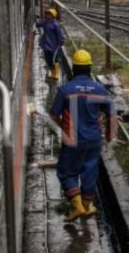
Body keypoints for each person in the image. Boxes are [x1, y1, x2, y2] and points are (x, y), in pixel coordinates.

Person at [50, 49, 116, 221]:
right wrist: (109, 135)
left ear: (74, 67)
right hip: (93, 139)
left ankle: (78, 207)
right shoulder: (100, 90)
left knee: (66, 171)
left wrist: (63, 128)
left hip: (72, 138)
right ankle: (88, 206)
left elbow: (54, 115)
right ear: (89, 68)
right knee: (89, 171)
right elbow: (112, 114)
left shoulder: (65, 90)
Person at [36, 8, 65, 80]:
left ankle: (56, 74)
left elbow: (59, 34)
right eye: (46, 14)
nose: (47, 15)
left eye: (49, 14)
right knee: (48, 59)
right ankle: (52, 72)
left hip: (54, 45)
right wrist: (36, 19)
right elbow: (38, 25)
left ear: (53, 15)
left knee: (54, 59)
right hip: (46, 45)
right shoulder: (45, 22)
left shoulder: (56, 24)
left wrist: (61, 41)